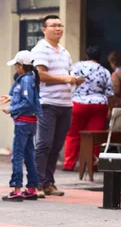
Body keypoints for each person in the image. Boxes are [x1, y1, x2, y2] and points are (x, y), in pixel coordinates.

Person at [31, 15, 84, 197]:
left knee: (56, 145)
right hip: (48, 103)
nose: (58, 29)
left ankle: (48, 183)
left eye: (60, 25)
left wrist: (74, 79)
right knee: (44, 144)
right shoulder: (40, 49)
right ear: (44, 29)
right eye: (53, 25)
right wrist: (65, 79)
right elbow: (40, 75)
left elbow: (67, 74)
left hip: (65, 104)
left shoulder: (64, 51)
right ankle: (36, 183)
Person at [0, 50, 42, 202]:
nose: (15, 68)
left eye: (16, 65)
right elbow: (28, 99)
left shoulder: (25, 80)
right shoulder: (30, 79)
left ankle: (17, 189)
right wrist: (11, 98)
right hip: (30, 122)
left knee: (17, 155)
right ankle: (31, 187)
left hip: (22, 123)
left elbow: (27, 102)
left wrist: (11, 108)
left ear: (21, 66)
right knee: (29, 155)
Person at [64, 46, 114, 171]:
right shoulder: (105, 71)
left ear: (86, 55)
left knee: (73, 134)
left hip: (78, 103)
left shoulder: (76, 67)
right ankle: (93, 164)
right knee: (95, 136)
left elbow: (67, 83)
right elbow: (109, 92)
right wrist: (110, 109)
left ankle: (69, 164)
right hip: (99, 105)